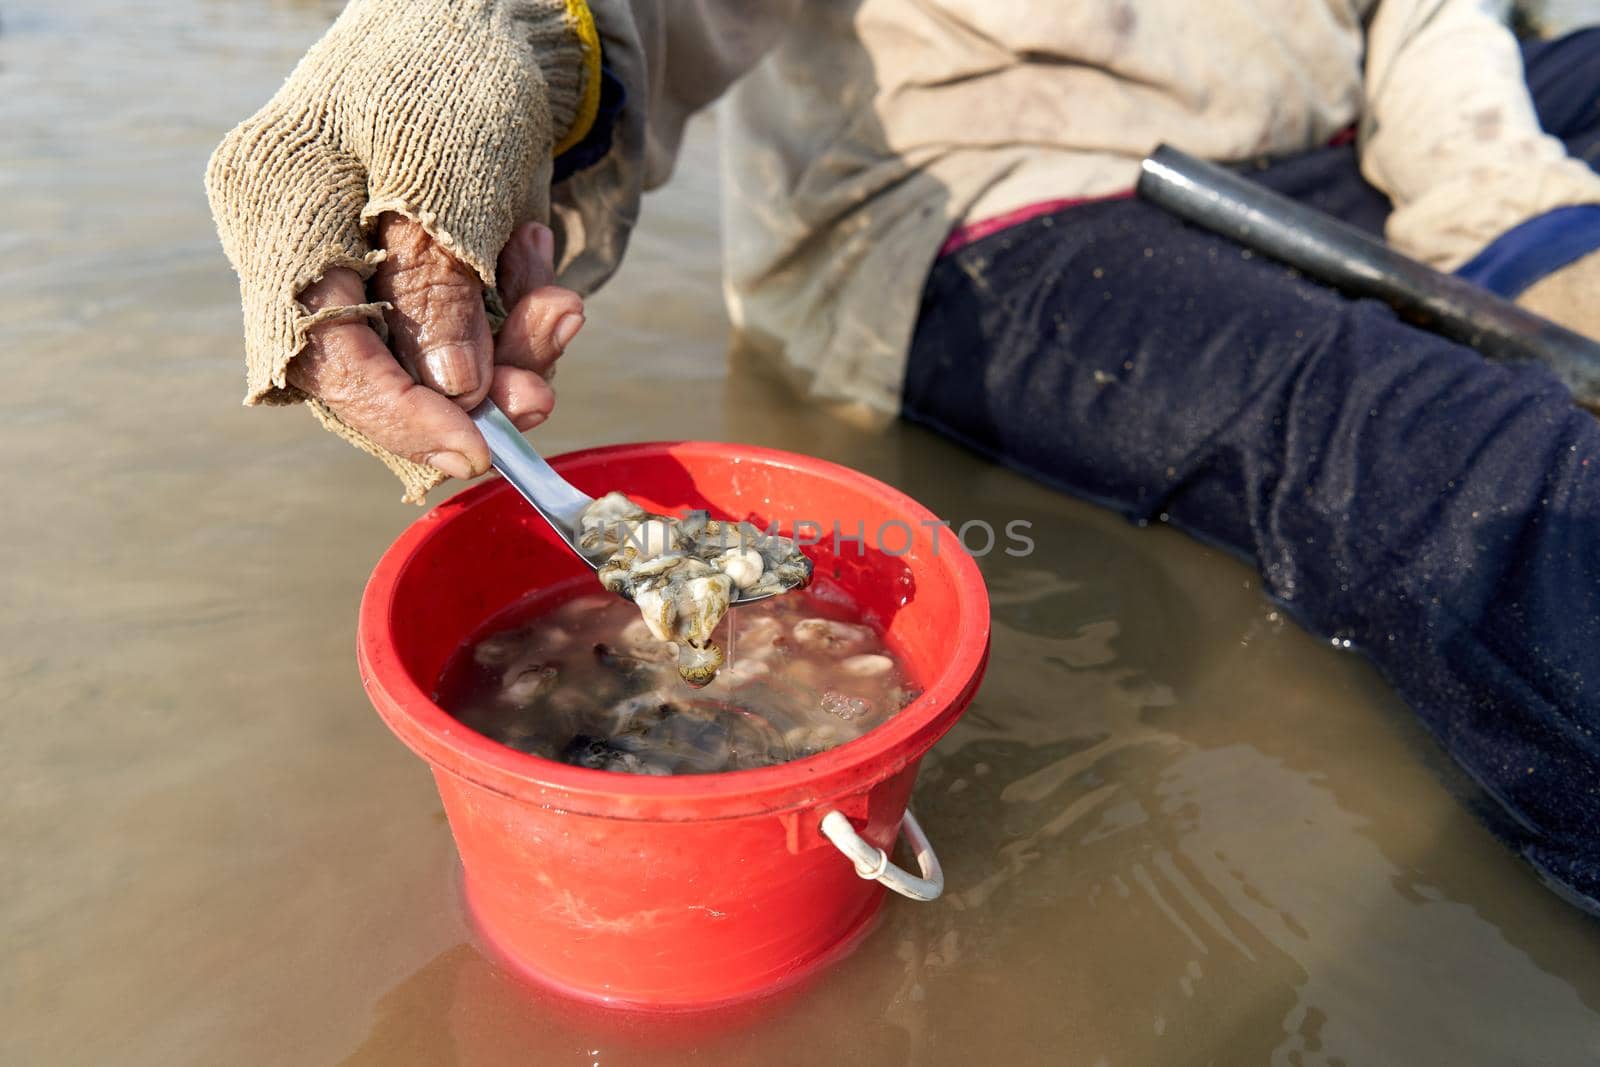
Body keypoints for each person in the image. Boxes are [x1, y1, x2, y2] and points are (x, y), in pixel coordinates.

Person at [206, 1, 1600, 912]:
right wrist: (483, 44)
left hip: (1356, 126)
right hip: (997, 189)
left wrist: (1509, 216)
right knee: (1479, 472)